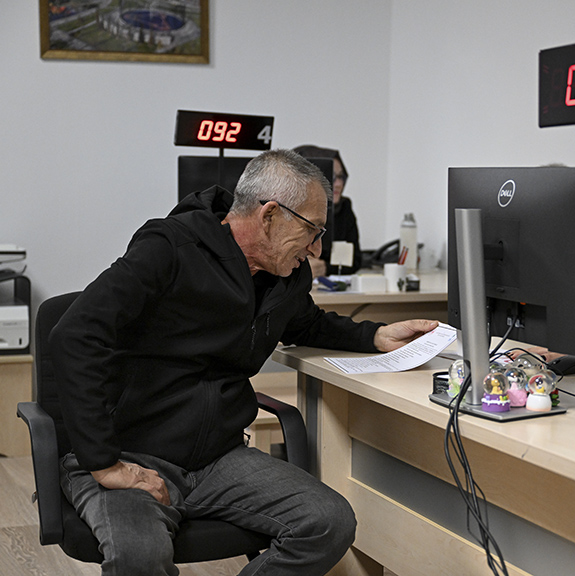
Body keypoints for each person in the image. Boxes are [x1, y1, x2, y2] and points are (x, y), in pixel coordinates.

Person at [51, 149, 438, 576]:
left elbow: (306, 323)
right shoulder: (170, 248)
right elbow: (75, 334)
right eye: (312, 230)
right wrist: (105, 463)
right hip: (134, 453)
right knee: (140, 555)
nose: (316, 248)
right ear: (270, 215)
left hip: (219, 457)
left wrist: (375, 335)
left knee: (329, 522)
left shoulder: (286, 275)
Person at [293, 145, 362, 276]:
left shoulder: (344, 208)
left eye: (341, 177)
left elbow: (355, 261)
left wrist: (325, 268)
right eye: (332, 176)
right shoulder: (285, 212)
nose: (339, 184)